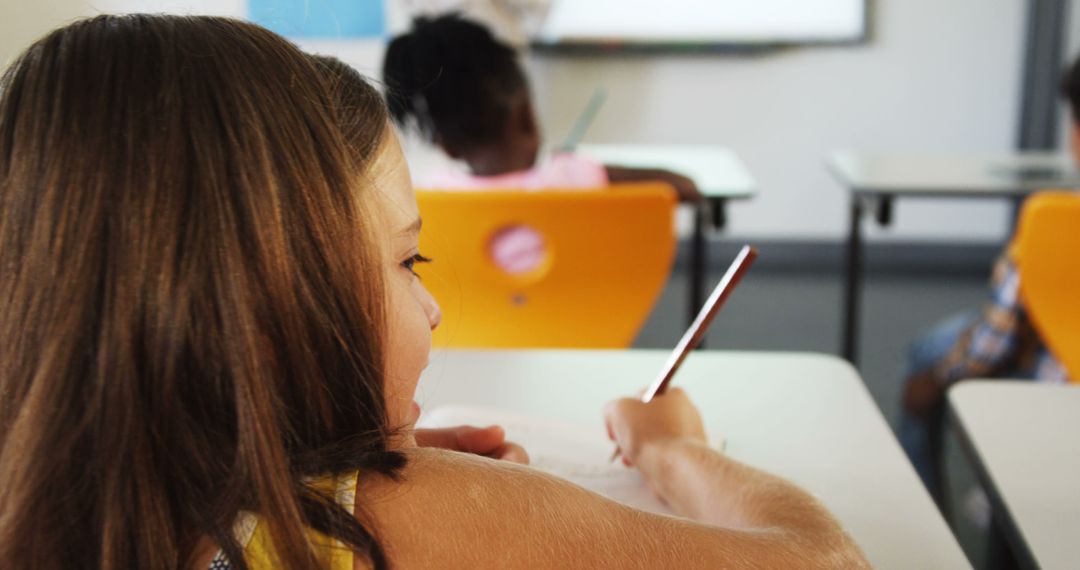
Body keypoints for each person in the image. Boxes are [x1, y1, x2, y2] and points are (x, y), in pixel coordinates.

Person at [0, 15, 866, 569]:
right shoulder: (374, 522)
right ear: (268, 311)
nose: (433, 305)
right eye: (410, 263)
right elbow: (824, 562)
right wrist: (672, 450)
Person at [897, 56, 1080, 507]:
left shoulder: (1053, 223)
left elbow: (993, 341)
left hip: (1061, 395)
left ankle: (932, 523)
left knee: (926, 361)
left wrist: (938, 380)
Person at [382, 13, 703, 202]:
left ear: (446, 145)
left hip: (476, 320)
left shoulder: (432, 196)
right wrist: (579, 165)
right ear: (526, 113)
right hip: (596, 318)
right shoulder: (576, 178)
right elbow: (685, 186)